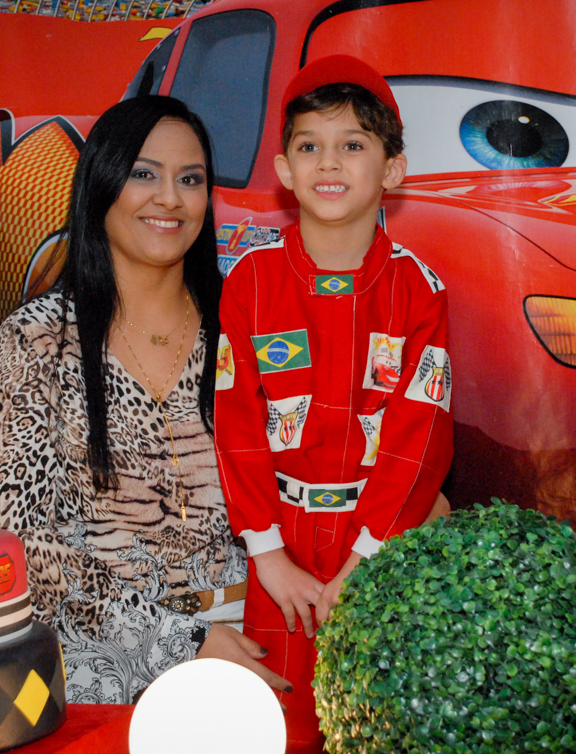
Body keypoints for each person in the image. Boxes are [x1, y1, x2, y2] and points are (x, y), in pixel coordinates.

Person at [0, 95, 289, 704]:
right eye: (144, 174)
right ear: (101, 184)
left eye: (190, 179)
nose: (169, 198)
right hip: (105, 682)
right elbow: (17, 542)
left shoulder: (248, 334)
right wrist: (183, 641)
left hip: (262, 659)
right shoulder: (34, 340)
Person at [214, 56, 455, 752]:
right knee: (278, 718)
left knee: (383, 716)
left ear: (393, 168)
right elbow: (235, 425)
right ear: (284, 169)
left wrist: (363, 561)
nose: (330, 162)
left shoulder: (419, 290)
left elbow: (420, 436)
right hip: (281, 549)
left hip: (379, 549)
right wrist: (267, 555)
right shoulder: (251, 282)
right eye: (309, 145)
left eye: (353, 144)